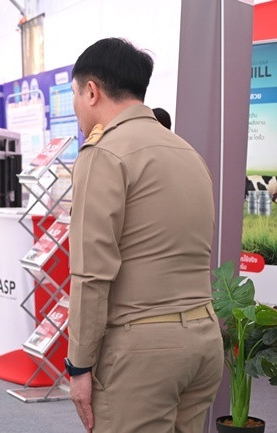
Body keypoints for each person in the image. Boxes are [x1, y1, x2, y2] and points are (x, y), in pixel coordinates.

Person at [66, 38, 223, 433]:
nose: (76, 105)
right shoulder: (186, 152)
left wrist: (79, 364)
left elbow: (91, 273)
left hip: (143, 352)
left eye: (75, 94)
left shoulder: (104, 153)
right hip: (204, 340)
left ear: (91, 91)